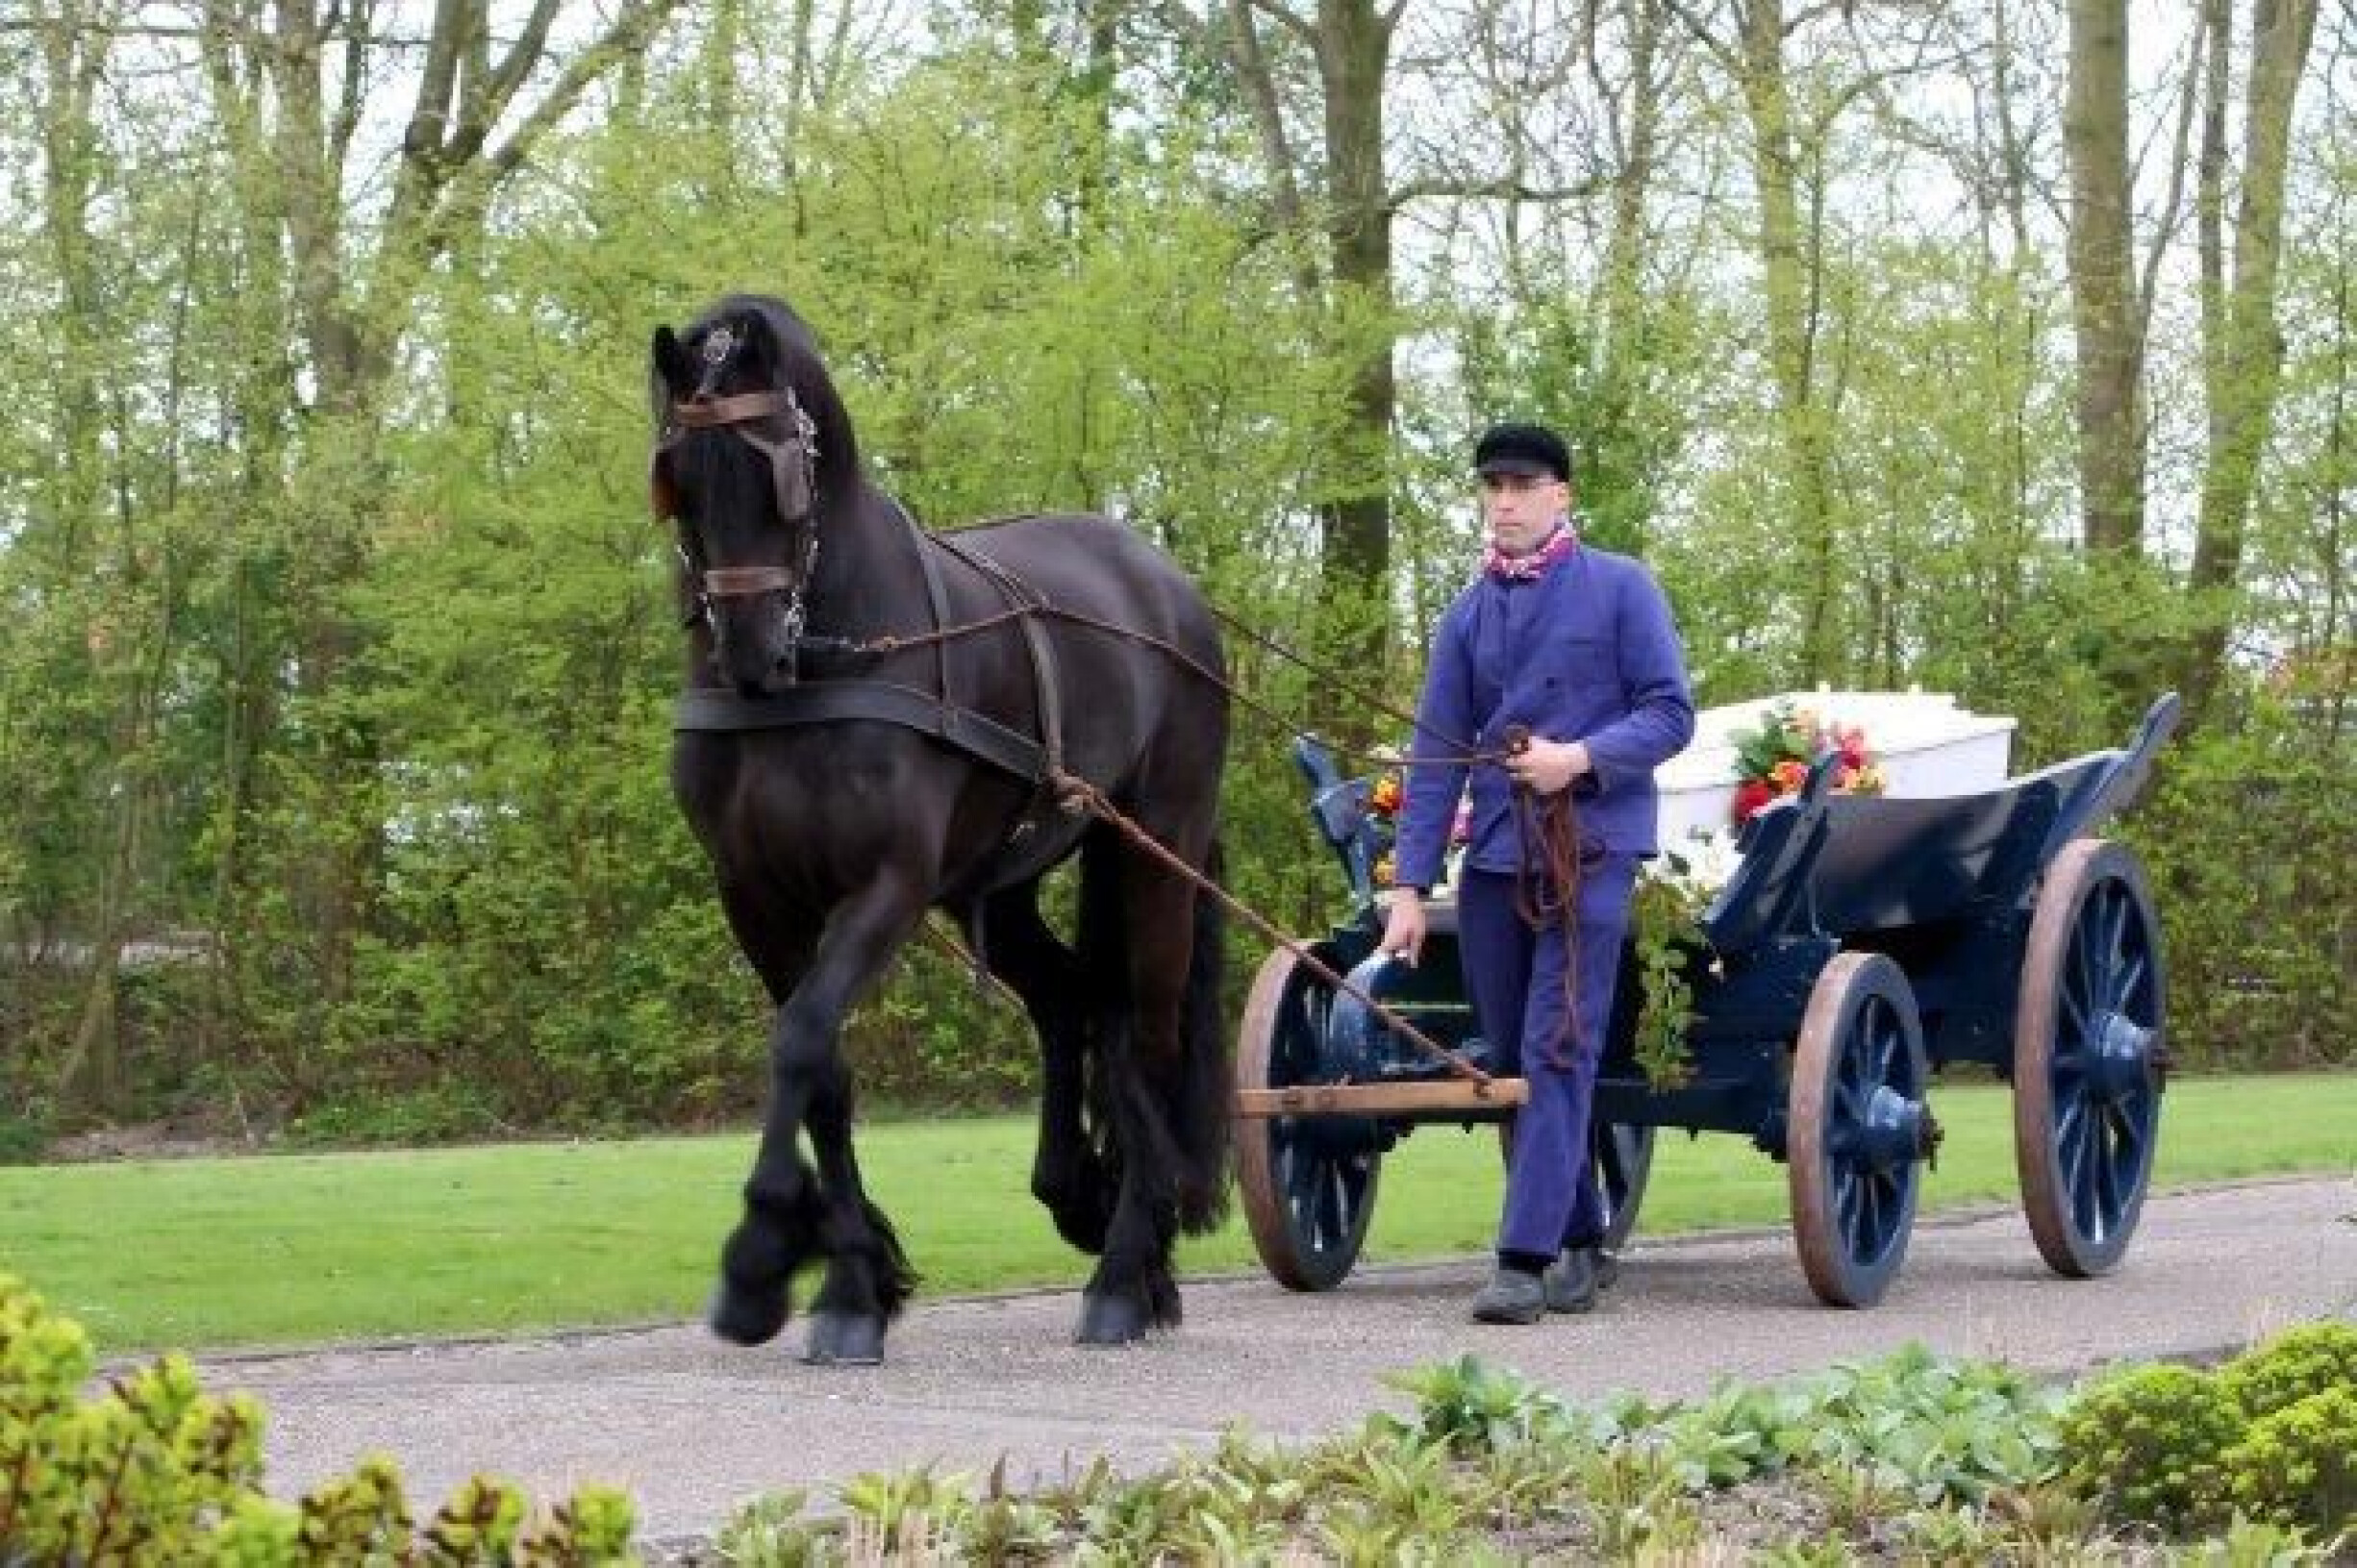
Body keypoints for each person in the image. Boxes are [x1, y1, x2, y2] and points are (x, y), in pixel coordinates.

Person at [1380, 421, 1694, 1325]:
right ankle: (1585, 1233)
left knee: (1561, 1043)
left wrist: (1580, 758)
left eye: (1522, 486)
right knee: (1514, 1055)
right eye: (1493, 487)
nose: (1504, 502)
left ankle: (1524, 1256)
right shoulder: (1467, 613)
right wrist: (1408, 887)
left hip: (1589, 852)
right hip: (1491, 865)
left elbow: (1670, 714)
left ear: (1561, 496)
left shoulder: (1622, 587)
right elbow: (1435, 752)